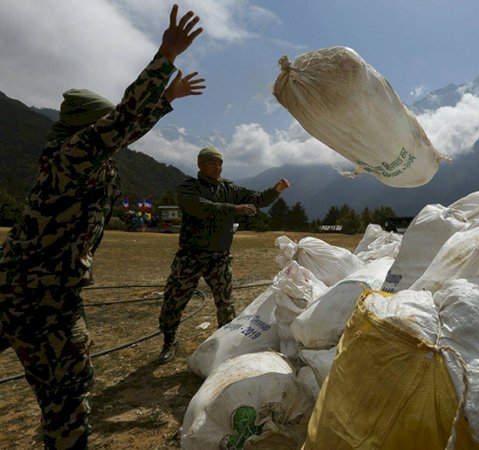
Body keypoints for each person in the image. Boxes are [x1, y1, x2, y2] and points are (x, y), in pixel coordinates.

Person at [0, 5, 205, 448]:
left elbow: (124, 129)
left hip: (25, 286)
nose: (114, 136)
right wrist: (163, 58)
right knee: (69, 396)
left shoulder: (76, 156)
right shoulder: (75, 155)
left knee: (59, 387)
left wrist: (166, 101)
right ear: (88, 128)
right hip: (43, 298)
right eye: (105, 127)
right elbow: (122, 123)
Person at [157, 147, 289, 363]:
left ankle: (227, 341)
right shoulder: (189, 187)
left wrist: (275, 190)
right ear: (200, 165)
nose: (218, 167)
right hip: (190, 256)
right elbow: (199, 207)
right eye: (212, 163)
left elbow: (257, 199)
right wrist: (234, 209)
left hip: (219, 257)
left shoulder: (229, 188)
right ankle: (169, 341)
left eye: (220, 163)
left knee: (225, 303)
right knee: (174, 300)